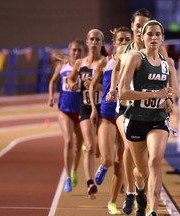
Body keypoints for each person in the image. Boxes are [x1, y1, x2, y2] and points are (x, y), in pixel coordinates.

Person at [118, 20, 179, 216]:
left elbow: (174, 91)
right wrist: (153, 95)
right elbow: (123, 92)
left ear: (163, 38)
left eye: (157, 34)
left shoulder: (167, 63)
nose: (153, 38)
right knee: (141, 171)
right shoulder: (136, 58)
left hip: (157, 119)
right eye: (150, 34)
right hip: (136, 119)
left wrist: (169, 99)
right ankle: (138, 187)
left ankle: (153, 210)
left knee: (154, 161)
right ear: (142, 37)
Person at [107, 8, 152, 215]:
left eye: (145, 25)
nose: (140, 29)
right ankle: (131, 193)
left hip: (148, 109)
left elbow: (167, 72)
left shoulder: (156, 50)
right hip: (125, 107)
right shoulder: (122, 51)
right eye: (137, 25)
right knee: (127, 144)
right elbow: (116, 68)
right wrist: (112, 89)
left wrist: (168, 97)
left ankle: (142, 189)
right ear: (133, 26)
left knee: (145, 158)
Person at [89, 26, 132, 215]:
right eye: (120, 39)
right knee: (107, 159)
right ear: (114, 43)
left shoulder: (135, 62)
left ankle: (112, 202)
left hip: (126, 115)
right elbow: (92, 86)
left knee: (120, 162)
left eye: (127, 39)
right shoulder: (105, 63)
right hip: (107, 114)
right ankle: (102, 166)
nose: (123, 43)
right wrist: (93, 108)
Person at [67, 29, 108, 198]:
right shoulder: (80, 63)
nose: (94, 42)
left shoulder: (107, 62)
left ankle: (100, 166)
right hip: (85, 108)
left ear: (102, 43)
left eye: (97, 39)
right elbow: (70, 78)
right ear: (87, 41)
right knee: (90, 147)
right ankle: (90, 182)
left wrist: (96, 86)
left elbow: (112, 87)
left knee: (100, 152)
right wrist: (72, 85)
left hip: (103, 108)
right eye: (91, 39)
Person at [48, 39, 86, 192]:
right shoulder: (62, 66)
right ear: (69, 51)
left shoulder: (86, 67)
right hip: (65, 110)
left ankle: (74, 170)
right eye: (74, 50)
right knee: (69, 141)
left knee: (78, 146)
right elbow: (52, 81)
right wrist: (51, 96)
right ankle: (68, 178)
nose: (76, 53)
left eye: (79, 50)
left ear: (84, 52)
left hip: (82, 111)